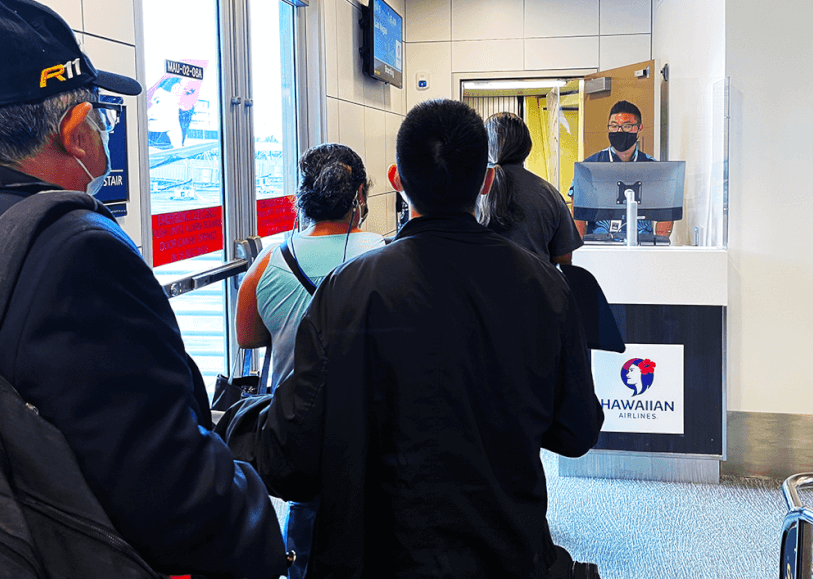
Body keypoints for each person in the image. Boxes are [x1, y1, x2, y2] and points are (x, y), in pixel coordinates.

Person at [0, 0, 286, 579]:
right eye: (100, 115)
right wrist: (256, 520)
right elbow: (175, 500)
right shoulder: (75, 251)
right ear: (74, 133)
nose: (104, 132)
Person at [257, 98, 604, 578]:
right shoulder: (546, 287)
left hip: (373, 560)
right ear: (486, 180)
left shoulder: (349, 290)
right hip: (505, 555)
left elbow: (287, 460)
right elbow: (576, 432)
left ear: (397, 180)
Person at [235, 143, 385, 579]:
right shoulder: (385, 252)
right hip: (372, 426)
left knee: (304, 533)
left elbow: (249, 336)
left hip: (299, 427)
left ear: (303, 196)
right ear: (360, 195)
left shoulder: (268, 261)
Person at [478, 111, 583, 264]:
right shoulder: (549, 195)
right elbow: (564, 260)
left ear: (485, 147)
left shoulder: (470, 191)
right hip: (538, 286)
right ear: (528, 149)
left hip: (479, 286)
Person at [573, 100, 673, 240]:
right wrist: (580, 249)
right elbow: (578, 213)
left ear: (639, 128)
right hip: (599, 247)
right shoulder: (590, 166)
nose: (619, 131)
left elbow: (665, 212)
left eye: (627, 126)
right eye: (614, 126)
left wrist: (660, 245)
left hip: (642, 247)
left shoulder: (653, 168)